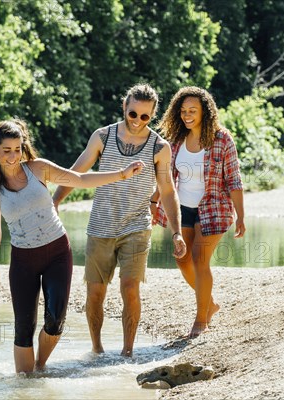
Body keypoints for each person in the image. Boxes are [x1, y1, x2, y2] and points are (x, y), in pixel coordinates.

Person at [0, 119, 145, 373]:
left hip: (57, 252)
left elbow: (79, 178)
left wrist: (121, 174)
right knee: (23, 329)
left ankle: (40, 366)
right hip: (23, 260)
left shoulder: (39, 169)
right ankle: (26, 386)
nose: (13, 156)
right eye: (6, 151)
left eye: (17, 149)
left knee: (55, 320)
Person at [52, 83, 186, 358]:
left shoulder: (159, 148)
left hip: (136, 227)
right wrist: (54, 201)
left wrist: (177, 233)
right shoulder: (103, 137)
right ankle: (97, 350)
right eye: (133, 114)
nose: (137, 121)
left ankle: (127, 353)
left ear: (153, 116)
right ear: (124, 107)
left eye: (145, 117)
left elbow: (169, 191)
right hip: (100, 226)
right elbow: (77, 172)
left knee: (130, 289)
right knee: (95, 294)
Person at [152, 86, 245, 338]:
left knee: (199, 259)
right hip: (182, 209)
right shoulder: (176, 140)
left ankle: (200, 319)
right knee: (182, 260)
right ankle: (210, 303)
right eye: (183, 111)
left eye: (192, 110)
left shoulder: (222, 139)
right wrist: (153, 202)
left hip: (213, 208)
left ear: (206, 111)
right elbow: (165, 178)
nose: (187, 115)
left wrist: (241, 216)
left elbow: (234, 180)